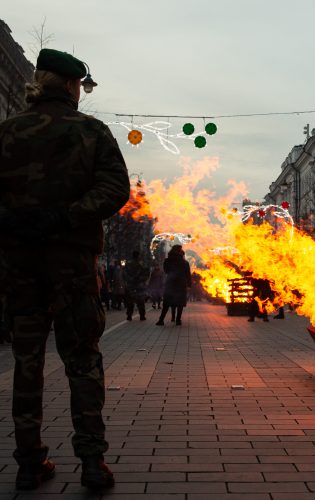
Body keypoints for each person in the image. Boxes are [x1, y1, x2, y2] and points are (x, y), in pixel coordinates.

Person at [0, 48, 130, 490]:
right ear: (73, 86)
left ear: (40, 82)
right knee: (82, 361)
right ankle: (93, 463)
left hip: (19, 265)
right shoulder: (91, 132)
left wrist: (13, 219)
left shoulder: (7, 132)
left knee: (26, 360)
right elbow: (115, 187)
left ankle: (29, 462)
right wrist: (70, 215)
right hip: (72, 264)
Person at [156, 245, 191, 326]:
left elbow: (166, 271)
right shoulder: (184, 262)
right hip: (181, 284)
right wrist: (189, 285)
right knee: (180, 302)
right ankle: (178, 320)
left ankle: (161, 320)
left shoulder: (168, 261)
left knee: (167, 302)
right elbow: (188, 275)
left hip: (170, 283)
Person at [123, 251, 149, 321]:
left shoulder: (128, 264)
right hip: (139, 285)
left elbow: (124, 274)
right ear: (138, 256)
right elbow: (146, 275)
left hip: (131, 285)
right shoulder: (142, 265)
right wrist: (141, 280)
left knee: (130, 301)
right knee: (140, 301)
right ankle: (142, 315)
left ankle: (129, 315)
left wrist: (130, 279)